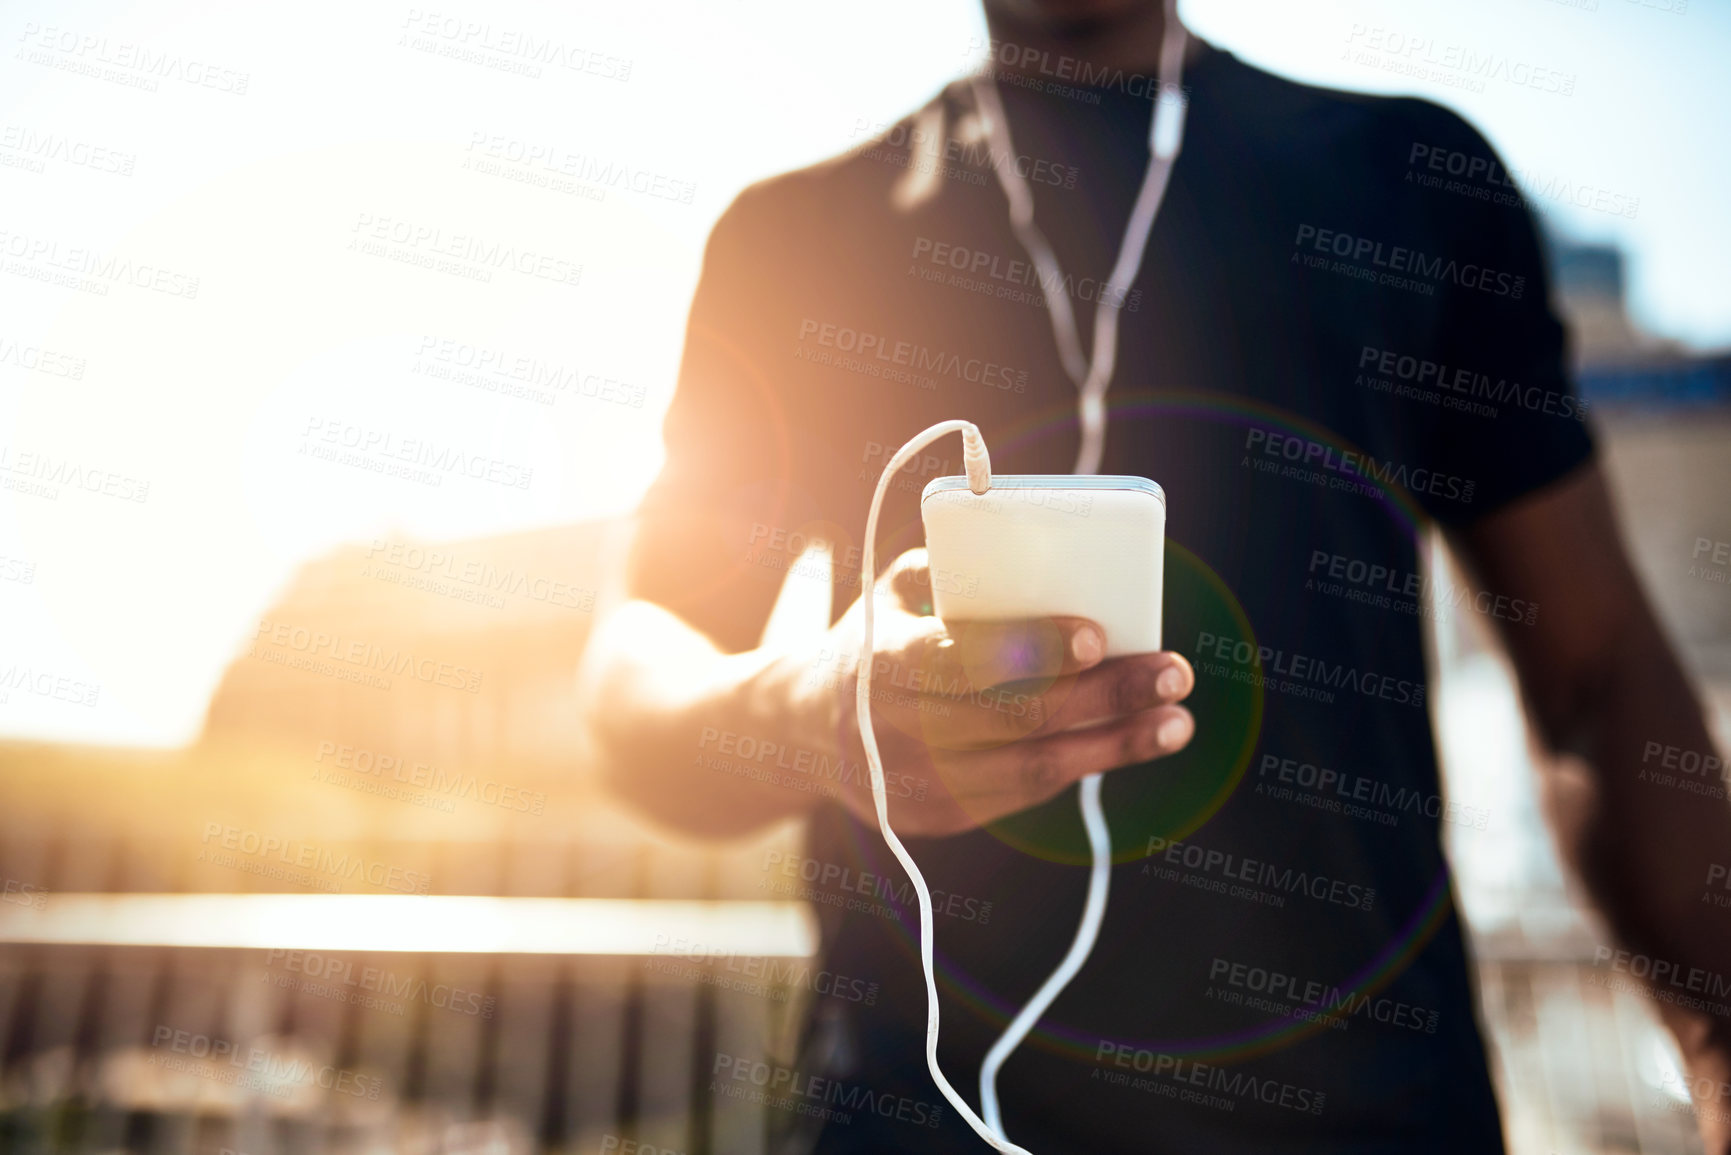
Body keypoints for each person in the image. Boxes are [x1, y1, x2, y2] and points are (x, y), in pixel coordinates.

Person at [577, 1, 1731, 1150]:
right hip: (917, 1115)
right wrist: (810, 707)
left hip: (1369, 1119)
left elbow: (1599, 675)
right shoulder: (790, 242)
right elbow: (634, 669)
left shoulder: (1413, 182)